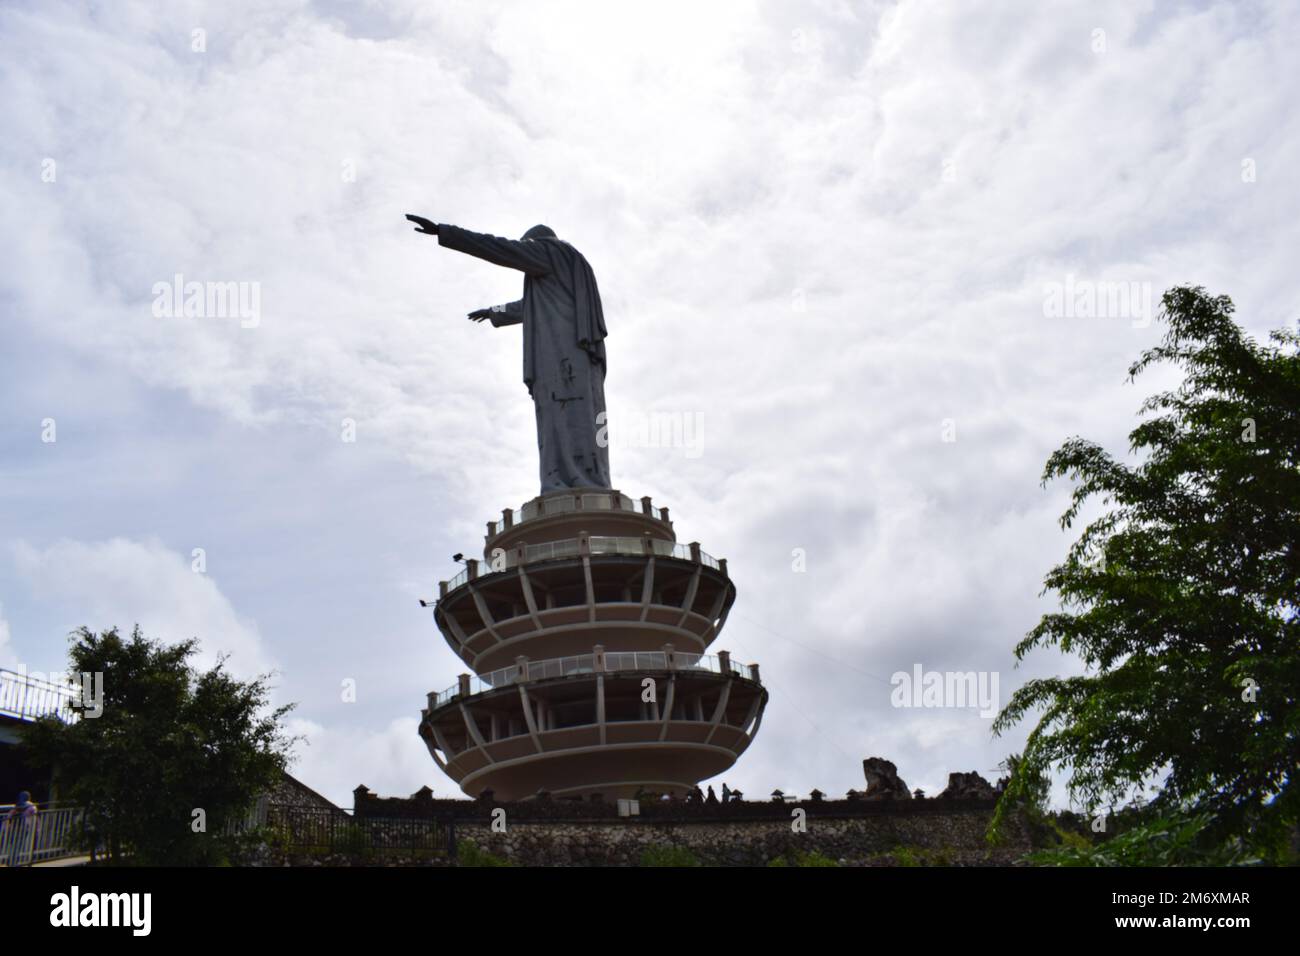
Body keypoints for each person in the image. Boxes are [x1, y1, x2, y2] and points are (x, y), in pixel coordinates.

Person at [406, 216, 612, 493]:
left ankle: (569, 482)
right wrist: (494, 312)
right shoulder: (573, 265)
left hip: (561, 355)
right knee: (587, 416)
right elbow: (530, 305)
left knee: (561, 416)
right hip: (582, 358)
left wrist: (445, 232)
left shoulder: (549, 252)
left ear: (533, 244)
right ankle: (592, 480)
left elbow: (496, 248)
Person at [2, 791, 39, 867]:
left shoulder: (17, 805)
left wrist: (6, 825)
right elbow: (34, 816)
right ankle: (15, 862)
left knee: (13, 845)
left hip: (14, 827)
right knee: (19, 845)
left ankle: (11, 860)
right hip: (24, 827)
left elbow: (9, 816)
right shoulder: (31, 806)